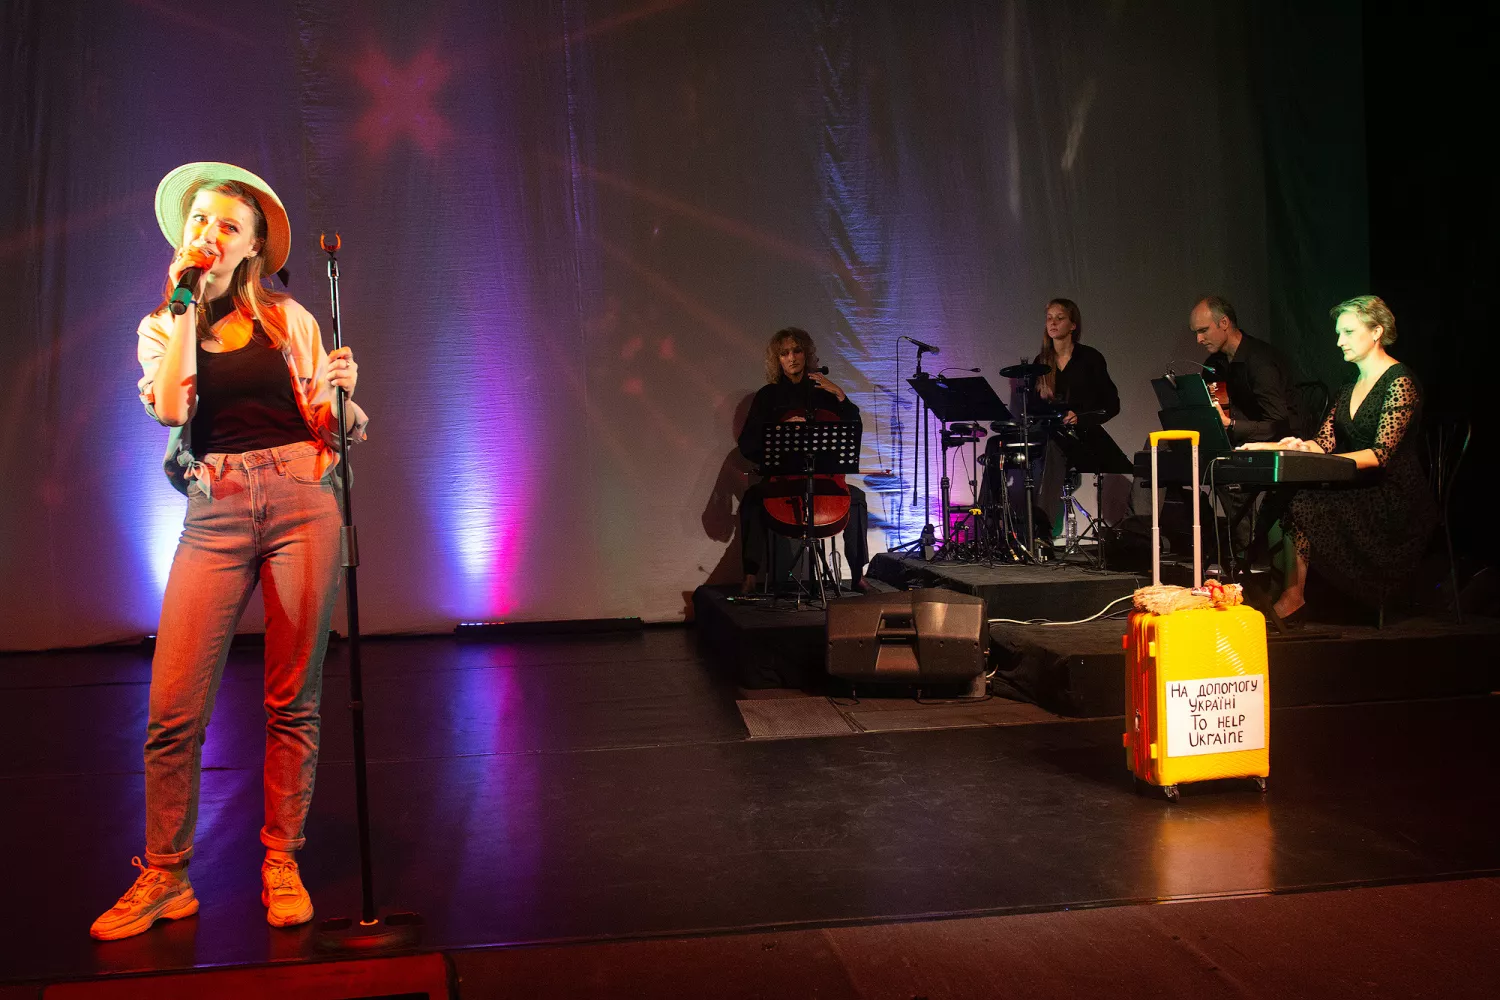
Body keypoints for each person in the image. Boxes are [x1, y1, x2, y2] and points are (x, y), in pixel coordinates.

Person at [91, 163, 368, 940]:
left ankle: (282, 859)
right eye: (200, 222)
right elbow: (171, 406)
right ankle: (165, 875)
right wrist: (186, 302)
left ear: (252, 249)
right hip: (214, 509)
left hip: (301, 499)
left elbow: (329, 421)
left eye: (228, 227)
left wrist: (345, 392)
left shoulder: (288, 319)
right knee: (172, 709)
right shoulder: (160, 325)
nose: (209, 234)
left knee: (292, 699)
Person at [1240, 296, 1435, 619]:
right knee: (1281, 495)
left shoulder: (1399, 381)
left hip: (1392, 495)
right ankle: (1276, 587)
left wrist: (1330, 463)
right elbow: (1324, 443)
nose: (1339, 341)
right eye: (1338, 333)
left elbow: (1380, 455)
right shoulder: (1349, 386)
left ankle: (1293, 597)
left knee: (1301, 500)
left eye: (1348, 332)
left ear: (1377, 332)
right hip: (1357, 486)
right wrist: (1273, 447)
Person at [737, 328, 867, 593]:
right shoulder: (768, 396)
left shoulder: (825, 392)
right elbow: (747, 443)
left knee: (857, 499)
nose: (792, 358)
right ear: (778, 360)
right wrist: (780, 429)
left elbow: (853, 428)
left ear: (806, 354)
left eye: (796, 351)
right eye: (784, 353)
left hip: (822, 482)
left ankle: (857, 576)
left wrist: (841, 396)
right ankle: (750, 575)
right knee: (752, 500)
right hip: (784, 483)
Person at [995, 298, 1119, 545]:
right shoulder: (1042, 362)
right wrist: (1041, 400)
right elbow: (1031, 410)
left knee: (1054, 445)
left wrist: (1080, 417)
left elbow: (1111, 404)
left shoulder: (1090, 358)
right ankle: (992, 525)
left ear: (1073, 325)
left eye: (1059, 318)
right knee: (995, 445)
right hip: (1046, 431)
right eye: (1049, 318)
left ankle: (1042, 532)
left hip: (1078, 435)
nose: (1053, 323)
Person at [1191, 295, 1295, 445]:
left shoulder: (1260, 361)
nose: (1199, 339)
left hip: (1277, 445)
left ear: (1224, 323)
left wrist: (1232, 425)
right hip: (1237, 444)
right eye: (1196, 332)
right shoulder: (1213, 365)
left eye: (1203, 330)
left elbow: (1278, 425)